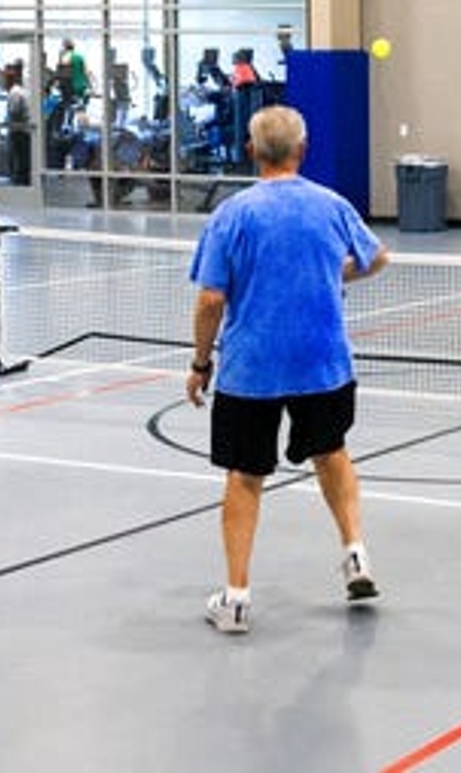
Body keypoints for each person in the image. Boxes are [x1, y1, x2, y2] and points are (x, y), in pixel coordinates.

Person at [186, 105, 389, 635]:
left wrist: (200, 363)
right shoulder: (332, 205)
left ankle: (235, 598)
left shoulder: (232, 214)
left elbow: (211, 300)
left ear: (252, 151)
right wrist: (332, 272)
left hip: (252, 369)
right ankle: (356, 555)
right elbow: (376, 257)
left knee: (245, 476)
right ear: (303, 150)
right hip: (323, 363)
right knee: (333, 453)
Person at [57, 38, 91, 105]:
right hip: (80, 87)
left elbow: (60, 74)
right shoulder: (79, 57)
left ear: (64, 48)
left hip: (68, 89)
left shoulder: (63, 58)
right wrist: (90, 86)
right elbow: (86, 72)